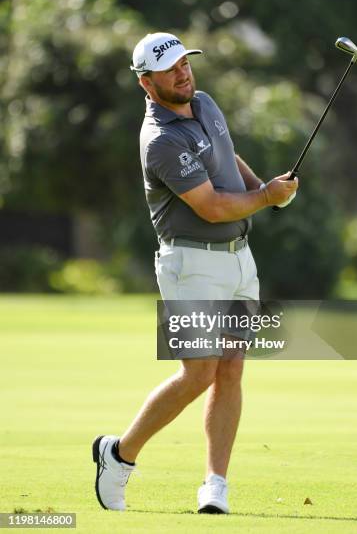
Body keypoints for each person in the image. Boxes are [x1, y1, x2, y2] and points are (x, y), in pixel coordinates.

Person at [92, 32, 298, 514]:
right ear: (146, 83)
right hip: (191, 263)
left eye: (185, 62)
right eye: (169, 69)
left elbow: (228, 156)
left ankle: (215, 486)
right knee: (199, 373)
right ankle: (119, 454)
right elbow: (209, 207)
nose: (183, 72)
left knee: (231, 368)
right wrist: (265, 198)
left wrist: (263, 187)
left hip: (240, 259)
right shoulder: (160, 140)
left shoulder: (204, 104)